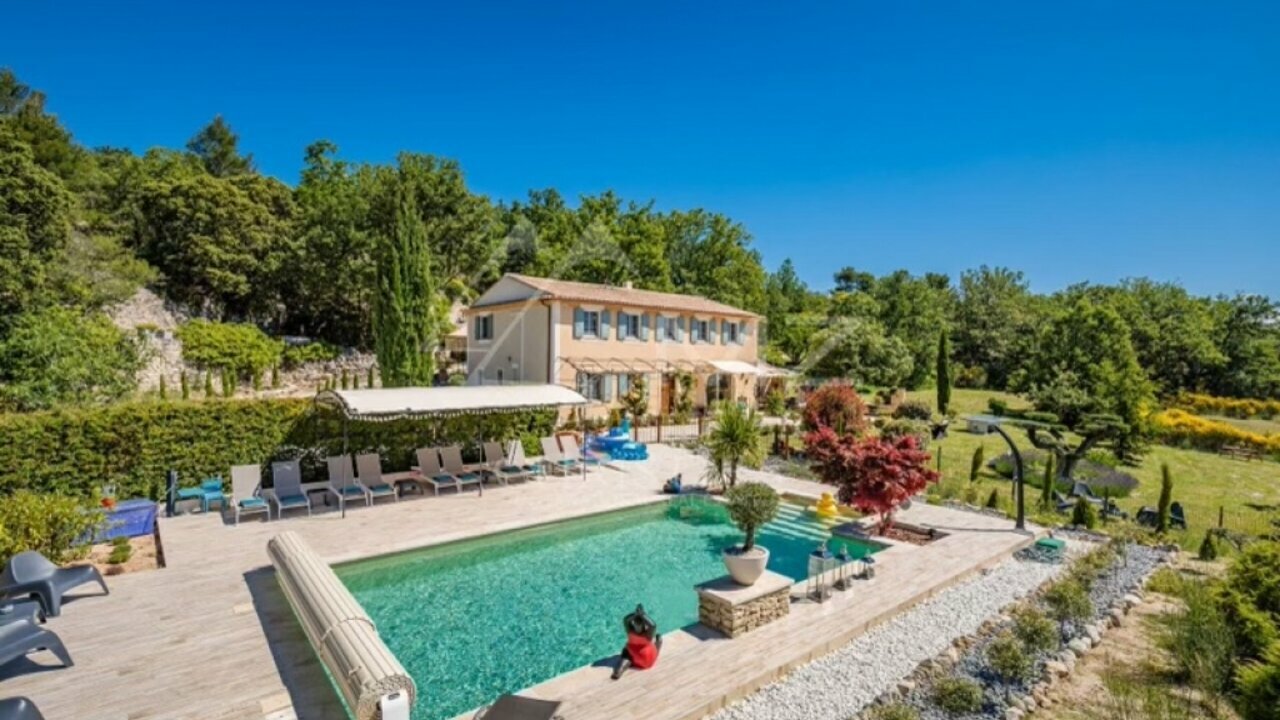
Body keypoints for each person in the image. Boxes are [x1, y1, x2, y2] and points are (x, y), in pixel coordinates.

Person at [611, 604, 661, 680]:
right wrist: (643, 615)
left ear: (633, 624)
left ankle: (618, 671)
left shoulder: (630, 632)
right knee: (655, 646)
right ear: (644, 625)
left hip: (638, 658)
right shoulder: (647, 635)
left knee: (626, 654)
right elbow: (653, 625)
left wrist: (635, 614)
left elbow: (625, 619)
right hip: (650, 659)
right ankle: (659, 641)